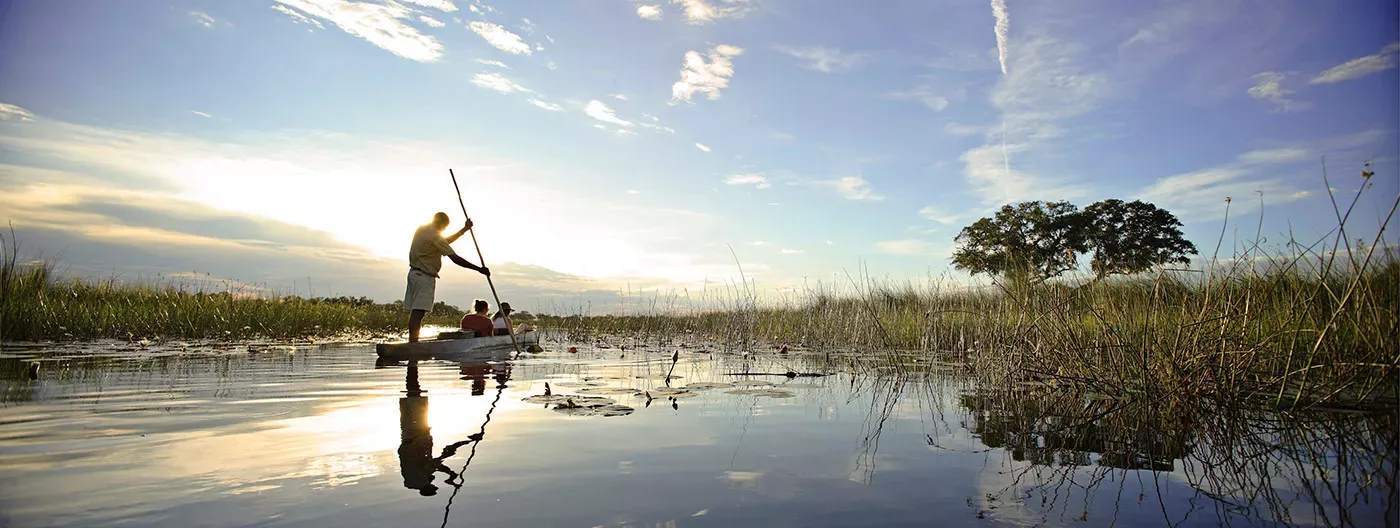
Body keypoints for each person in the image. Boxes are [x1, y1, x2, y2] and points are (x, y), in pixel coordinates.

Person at [405, 212, 489, 343]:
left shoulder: (422, 230)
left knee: (415, 312)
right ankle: (413, 345)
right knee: (418, 313)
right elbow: (455, 258)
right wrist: (479, 269)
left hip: (413, 274)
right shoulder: (434, 234)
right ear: (441, 223)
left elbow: (445, 242)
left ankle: (412, 341)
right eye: (444, 227)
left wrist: (464, 230)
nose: (444, 230)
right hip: (424, 277)